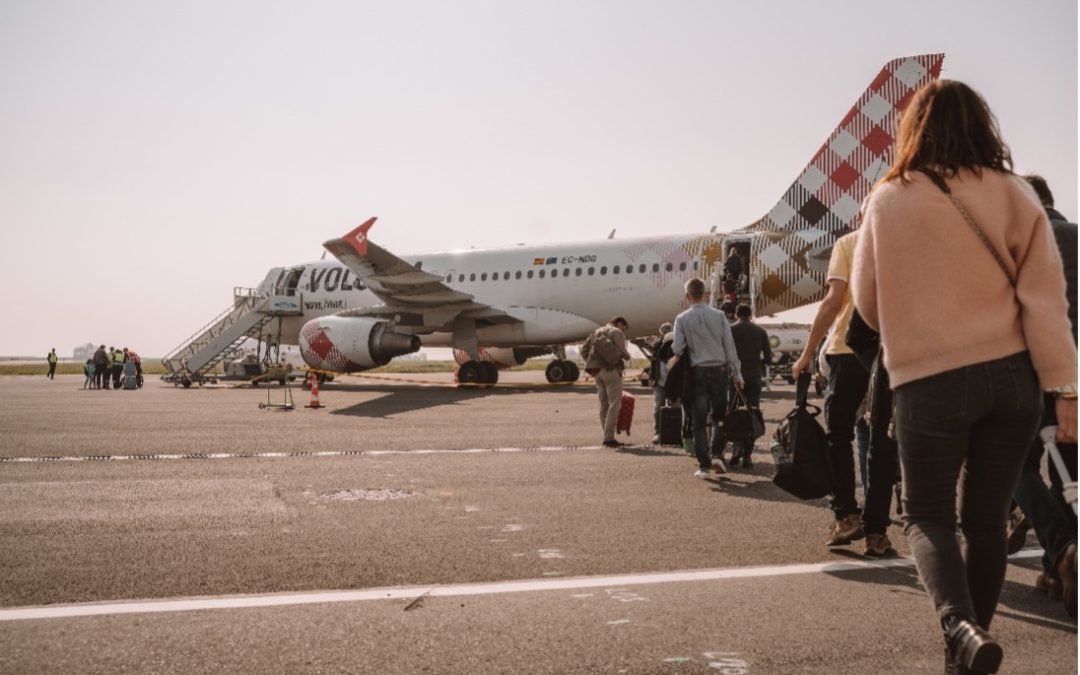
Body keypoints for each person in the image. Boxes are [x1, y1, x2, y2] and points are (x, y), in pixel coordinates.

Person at [850, 80, 1077, 674]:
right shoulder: (1015, 194)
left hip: (930, 381)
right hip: (1012, 381)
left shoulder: (889, 198)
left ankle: (958, 626)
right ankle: (969, 650)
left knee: (927, 516)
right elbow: (1046, 302)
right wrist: (1066, 391)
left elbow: (867, 306)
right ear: (984, 125)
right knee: (986, 520)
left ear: (913, 130)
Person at [1009, 174, 1078, 617]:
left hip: (1030, 370)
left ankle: (1062, 550)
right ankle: (1058, 569)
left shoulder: (1017, 244)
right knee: (1069, 473)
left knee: (1018, 466)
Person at [791, 230, 870, 548]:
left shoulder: (850, 243)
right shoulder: (905, 237)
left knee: (839, 436)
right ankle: (878, 531)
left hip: (849, 350)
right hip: (894, 349)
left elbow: (834, 300)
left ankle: (846, 515)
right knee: (884, 439)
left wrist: (807, 353)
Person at [672, 278, 743, 477]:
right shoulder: (719, 316)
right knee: (720, 417)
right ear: (705, 294)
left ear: (687, 296)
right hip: (720, 370)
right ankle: (717, 454)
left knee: (698, 422)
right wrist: (737, 374)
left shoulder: (682, 318)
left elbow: (677, 348)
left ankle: (704, 465)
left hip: (697, 372)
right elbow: (730, 347)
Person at [728, 304, 772, 467]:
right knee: (752, 412)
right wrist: (758, 362)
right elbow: (768, 358)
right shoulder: (760, 331)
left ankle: (736, 449)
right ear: (750, 314)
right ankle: (747, 455)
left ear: (737, 314)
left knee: (734, 413)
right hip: (754, 374)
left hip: (736, 374)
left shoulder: (730, 330)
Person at [580, 316, 631, 448]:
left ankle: (606, 435)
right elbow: (622, 351)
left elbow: (583, 350)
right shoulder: (617, 332)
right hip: (611, 371)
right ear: (619, 324)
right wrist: (628, 356)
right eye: (624, 328)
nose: (624, 331)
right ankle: (609, 438)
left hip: (597, 372)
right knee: (615, 404)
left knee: (604, 404)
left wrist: (592, 363)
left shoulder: (596, 332)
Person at [648, 322, 675, 443]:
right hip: (659, 381)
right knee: (658, 407)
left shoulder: (676, 344)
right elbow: (653, 362)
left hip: (673, 381)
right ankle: (658, 432)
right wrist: (652, 377)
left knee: (675, 407)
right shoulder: (658, 345)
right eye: (664, 331)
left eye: (668, 330)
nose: (666, 332)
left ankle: (674, 432)